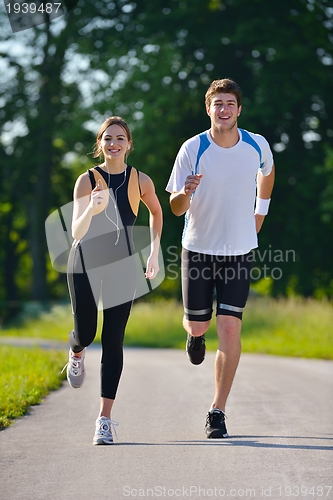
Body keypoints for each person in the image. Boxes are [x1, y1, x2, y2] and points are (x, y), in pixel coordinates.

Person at [166, 79, 275, 438]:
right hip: (198, 248)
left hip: (239, 250)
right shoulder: (192, 148)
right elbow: (176, 208)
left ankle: (217, 411)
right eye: (217, 104)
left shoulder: (256, 144)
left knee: (229, 326)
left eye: (230, 103)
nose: (224, 109)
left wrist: (259, 215)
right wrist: (185, 191)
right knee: (198, 325)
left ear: (239, 109)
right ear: (208, 108)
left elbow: (268, 174)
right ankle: (195, 337)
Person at [65, 116, 163, 445]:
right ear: (100, 144)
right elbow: (75, 233)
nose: (114, 143)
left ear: (129, 144)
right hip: (84, 263)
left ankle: (104, 419)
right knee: (88, 333)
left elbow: (156, 212)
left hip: (123, 266)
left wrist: (153, 252)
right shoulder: (86, 180)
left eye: (120, 138)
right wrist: (92, 208)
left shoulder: (141, 180)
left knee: (113, 340)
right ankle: (76, 349)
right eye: (107, 138)